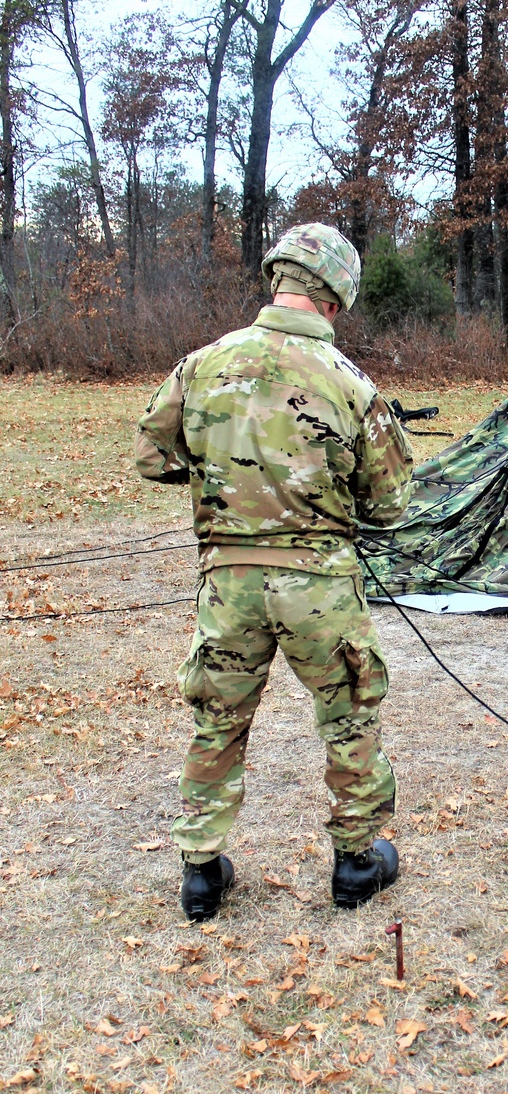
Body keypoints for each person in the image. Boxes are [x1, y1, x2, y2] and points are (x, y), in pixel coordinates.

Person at [134, 223, 413, 920]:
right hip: (318, 587)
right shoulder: (349, 383)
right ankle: (355, 863)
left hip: (228, 582)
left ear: (280, 278)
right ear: (335, 294)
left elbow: (151, 456)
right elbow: (392, 504)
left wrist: (226, 485)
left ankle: (200, 871)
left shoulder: (201, 365)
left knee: (217, 719)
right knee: (348, 716)